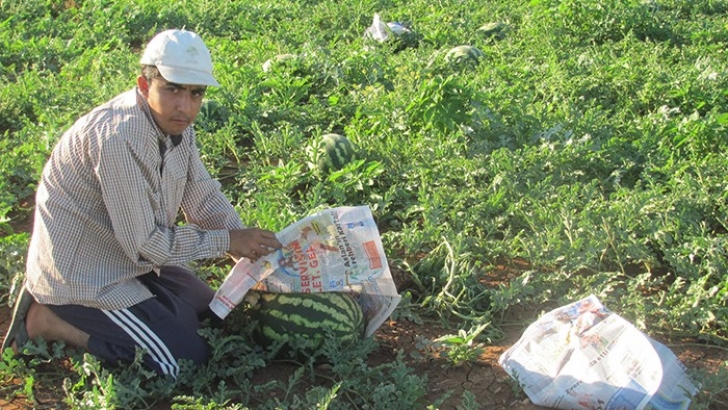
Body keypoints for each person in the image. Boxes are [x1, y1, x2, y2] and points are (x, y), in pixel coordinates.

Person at [1, 29, 282, 378]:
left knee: (213, 314)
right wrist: (228, 241)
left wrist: (248, 248)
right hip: (86, 278)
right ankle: (49, 321)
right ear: (145, 85)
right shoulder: (119, 137)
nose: (185, 105)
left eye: (195, 94)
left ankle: (148, 315)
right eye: (173, 89)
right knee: (182, 360)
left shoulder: (176, 125)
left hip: (129, 261)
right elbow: (147, 244)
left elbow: (202, 195)